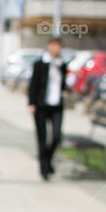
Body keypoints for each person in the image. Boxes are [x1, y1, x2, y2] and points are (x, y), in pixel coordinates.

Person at [28, 36, 68, 181]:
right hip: (41, 105)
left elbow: (63, 84)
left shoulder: (62, 65)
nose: (56, 48)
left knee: (57, 136)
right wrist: (31, 103)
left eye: (58, 45)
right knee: (42, 138)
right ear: (49, 46)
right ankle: (44, 169)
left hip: (57, 105)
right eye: (53, 45)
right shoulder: (40, 64)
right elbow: (33, 84)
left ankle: (48, 160)